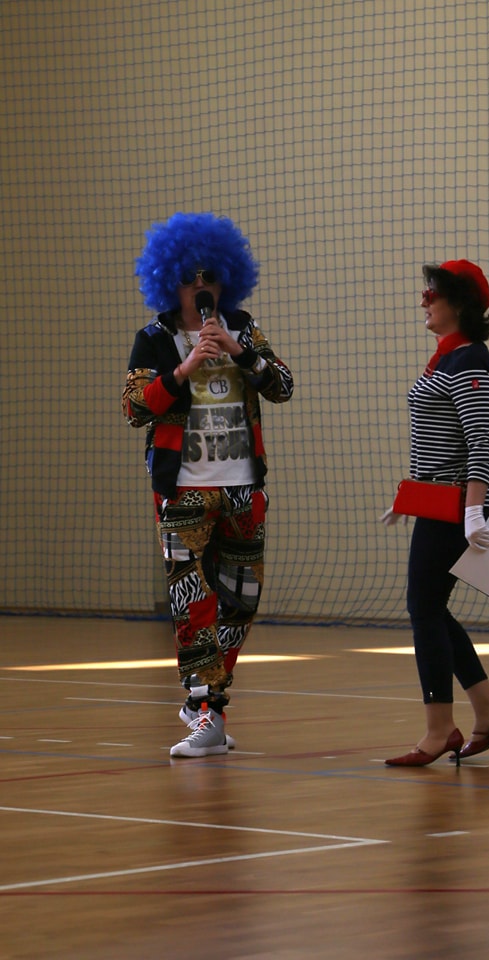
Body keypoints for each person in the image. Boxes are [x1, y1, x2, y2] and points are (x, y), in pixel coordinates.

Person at [123, 212, 294, 758]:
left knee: (241, 603)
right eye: (189, 277)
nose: (201, 286)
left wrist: (240, 353)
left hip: (243, 487)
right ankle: (206, 712)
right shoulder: (154, 338)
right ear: (169, 282)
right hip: (183, 491)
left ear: (227, 279)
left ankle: (207, 704)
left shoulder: (243, 329)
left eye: (211, 276)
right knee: (192, 603)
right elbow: (134, 407)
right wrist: (184, 368)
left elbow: (283, 386)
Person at [380, 259, 489, 767]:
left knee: (423, 608)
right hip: (439, 501)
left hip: (458, 505)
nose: (423, 298)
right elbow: (440, 443)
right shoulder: (447, 359)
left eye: (432, 292)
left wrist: (474, 511)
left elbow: (480, 443)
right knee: (431, 608)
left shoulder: (469, 361)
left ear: (458, 303)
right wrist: (410, 496)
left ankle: (440, 729)